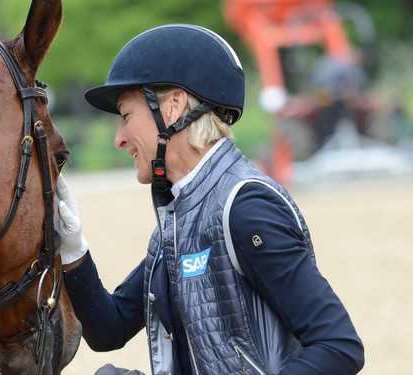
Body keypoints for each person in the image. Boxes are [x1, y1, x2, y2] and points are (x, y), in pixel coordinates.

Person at [54, 24, 364, 375]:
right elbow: (109, 330)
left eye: (125, 117)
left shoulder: (245, 207)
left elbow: (339, 346)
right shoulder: (174, 227)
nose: (119, 139)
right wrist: (73, 250)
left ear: (173, 107)